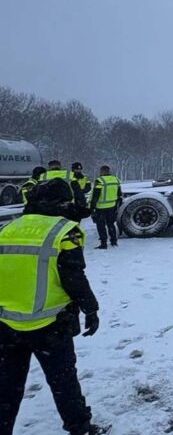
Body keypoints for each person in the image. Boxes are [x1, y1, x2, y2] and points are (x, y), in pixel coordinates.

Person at [0, 179, 108, 435]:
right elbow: (73, 277)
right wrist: (90, 309)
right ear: (62, 202)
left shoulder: (8, 228)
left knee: (6, 387)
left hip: (6, 325)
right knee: (64, 382)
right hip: (50, 325)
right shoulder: (65, 230)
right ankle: (80, 428)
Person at [90, 165, 122, 250]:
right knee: (111, 224)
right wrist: (117, 206)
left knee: (101, 226)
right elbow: (119, 194)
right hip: (111, 206)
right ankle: (114, 241)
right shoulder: (116, 180)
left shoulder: (100, 181)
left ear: (102, 171)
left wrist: (91, 207)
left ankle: (103, 244)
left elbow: (95, 195)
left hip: (100, 207)